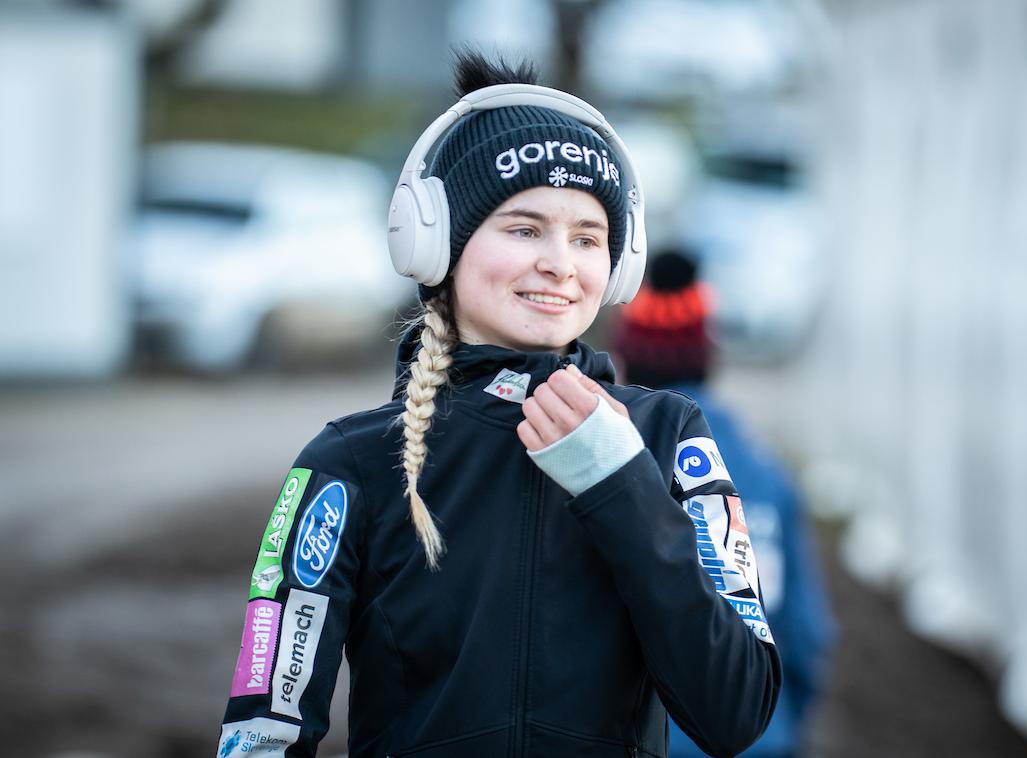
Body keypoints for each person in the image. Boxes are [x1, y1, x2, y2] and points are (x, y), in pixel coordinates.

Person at [216, 52, 780, 758]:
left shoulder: (667, 436)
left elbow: (736, 711)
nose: (560, 263)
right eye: (523, 229)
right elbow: (264, 728)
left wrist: (621, 483)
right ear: (435, 242)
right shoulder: (347, 466)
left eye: (587, 237)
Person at [611, 250, 835, 758]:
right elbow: (807, 629)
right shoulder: (765, 472)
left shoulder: (600, 468)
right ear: (707, 354)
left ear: (625, 356)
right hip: (759, 734)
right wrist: (784, 724)